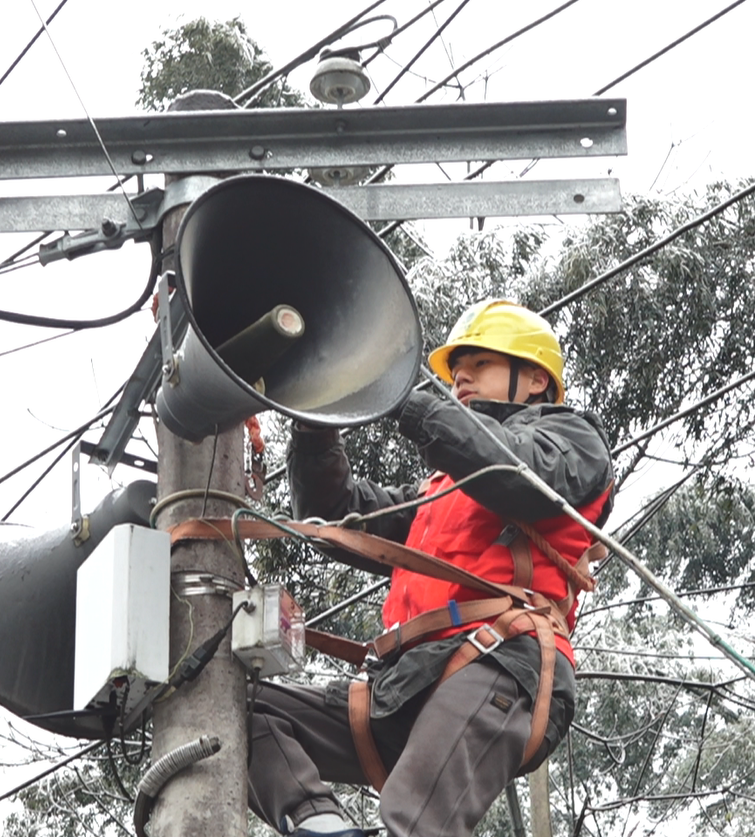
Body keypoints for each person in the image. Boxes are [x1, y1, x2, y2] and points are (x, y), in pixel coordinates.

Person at [246, 299, 615, 837]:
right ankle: (318, 824)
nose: (459, 376)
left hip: (498, 662)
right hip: (406, 683)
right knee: (244, 709)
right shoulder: (439, 494)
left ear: (536, 378)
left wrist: (399, 395)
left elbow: (513, 470)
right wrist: (315, 421)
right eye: (456, 368)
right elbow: (336, 516)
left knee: (413, 823)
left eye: (479, 363)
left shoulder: (573, 441)